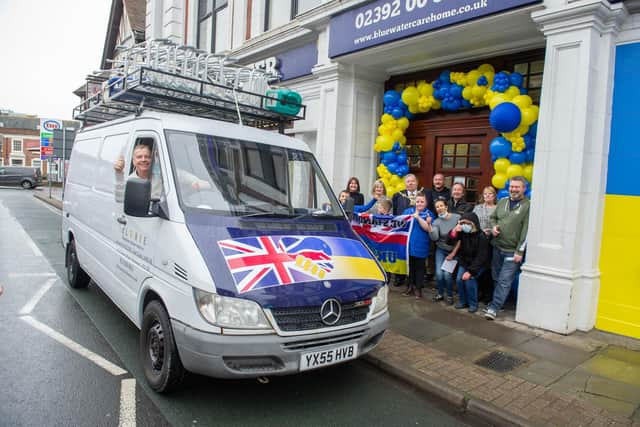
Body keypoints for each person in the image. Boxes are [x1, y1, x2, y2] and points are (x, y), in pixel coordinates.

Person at [484, 176, 530, 320]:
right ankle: (500, 302)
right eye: (511, 186)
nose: (513, 189)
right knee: (496, 277)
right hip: (497, 247)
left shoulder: (528, 206)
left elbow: (526, 230)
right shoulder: (503, 201)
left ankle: (494, 307)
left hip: (512, 251)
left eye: (517, 187)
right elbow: (493, 218)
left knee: (504, 280)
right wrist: (494, 227)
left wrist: (519, 251)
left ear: (524, 189)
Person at [449, 212, 491, 313]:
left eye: (467, 223)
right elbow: (449, 241)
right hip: (465, 262)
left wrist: (471, 271)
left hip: (478, 265)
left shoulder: (481, 236)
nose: (464, 226)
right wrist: (454, 230)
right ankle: (463, 301)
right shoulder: (463, 233)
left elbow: (481, 257)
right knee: (459, 279)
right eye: (462, 223)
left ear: (473, 223)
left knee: (469, 279)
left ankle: (473, 303)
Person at [425, 198, 461, 304]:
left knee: (447, 275)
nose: (439, 208)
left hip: (453, 250)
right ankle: (440, 293)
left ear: (446, 206)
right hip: (441, 249)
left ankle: (449, 295)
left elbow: (461, 238)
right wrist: (429, 225)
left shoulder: (457, 218)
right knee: (439, 274)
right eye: (437, 207)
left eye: (441, 206)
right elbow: (435, 237)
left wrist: (453, 253)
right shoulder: (436, 221)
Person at [401, 192, 435, 299]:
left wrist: (418, 218)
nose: (419, 203)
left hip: (421, 246)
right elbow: (399, 223)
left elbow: (427, 229)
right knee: (410, 267)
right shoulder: (408, 211)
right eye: (418, 201)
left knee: (420, 268)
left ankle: (418, 289)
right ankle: (410, 287)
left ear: (426, 203)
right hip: (408, 245)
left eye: (422, 202)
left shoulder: (429, 214)